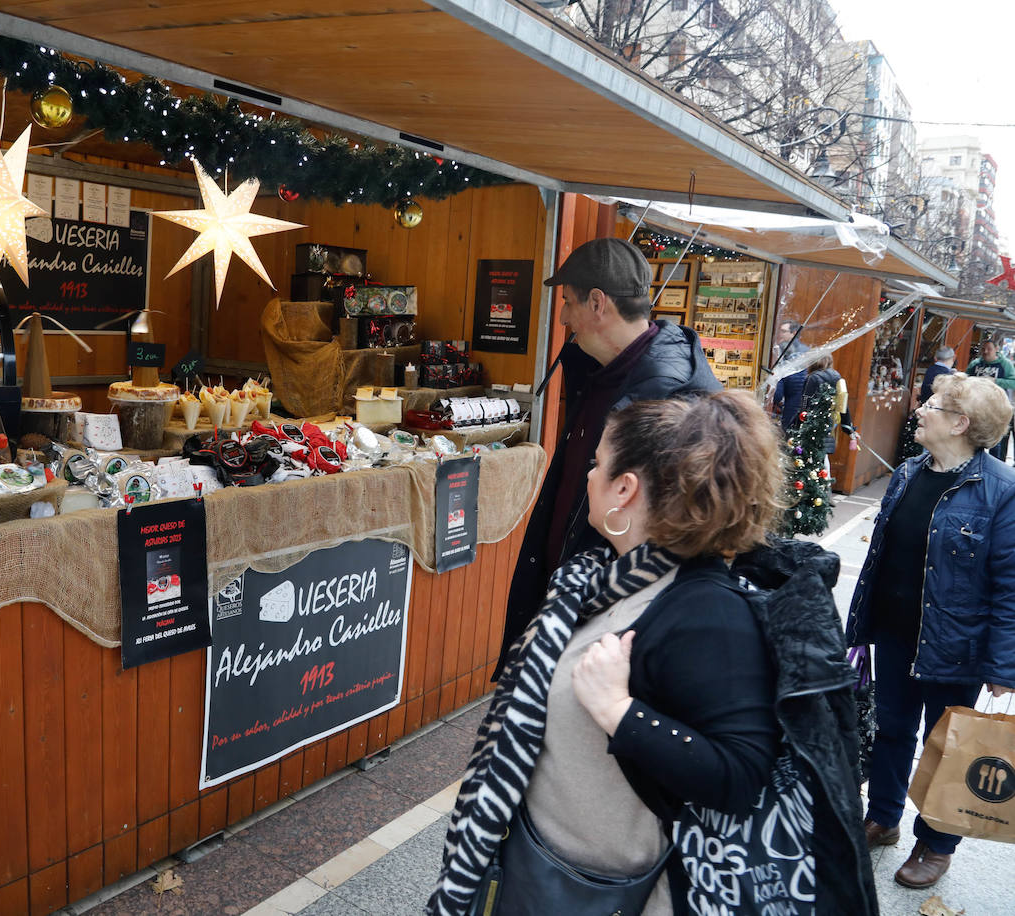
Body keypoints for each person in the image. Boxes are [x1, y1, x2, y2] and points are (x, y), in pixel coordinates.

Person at [430, 393, 878, 916]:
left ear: (625, 488)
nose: (589, 477)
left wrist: (618, 711)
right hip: (543, 863)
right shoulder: (612, 580)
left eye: (598, 465)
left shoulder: (705, 611)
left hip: (601, 893)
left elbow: (738, 775)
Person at [497, 238, 719, 675]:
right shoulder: (601, 372)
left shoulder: (668, 401)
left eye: (567, 302)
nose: (562, 317)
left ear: (597, 303)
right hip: (571, 601)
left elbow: (675, 536)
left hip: (609, 628)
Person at [847, 372, 1015, 890]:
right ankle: (884, 819)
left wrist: (1003, 667)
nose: (919, 410)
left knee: (946, 742)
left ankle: (937, 843)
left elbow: (1010, 585)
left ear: (960, 424)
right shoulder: (908, 472)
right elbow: (880, 557)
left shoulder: (1001, 492)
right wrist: (861, 623)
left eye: (932, 405)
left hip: (955, 644)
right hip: (897, 634)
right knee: (892, 729)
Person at [799, 353, 856, 475]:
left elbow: (805, 402)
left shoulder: (812, 378)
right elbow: (843, 404)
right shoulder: (837, 376)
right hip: (829, 423)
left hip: (811, 425)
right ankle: (825, 485)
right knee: (823, 458)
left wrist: (800, 422)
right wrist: (849, 428)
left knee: (809, 460)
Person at [964, 339, 1015, 460]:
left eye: (989, 349)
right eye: (983, 349)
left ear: (996, 349)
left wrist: (995, 381)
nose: (986, 352)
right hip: (976, 408)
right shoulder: (975, 363)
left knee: (996, 442)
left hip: (997, 409)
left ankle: (996, 465)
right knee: (974, 437)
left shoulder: (1005, 364)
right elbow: (965, 379)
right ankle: (972, 461)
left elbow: (1013, 382)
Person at [771, 319, 809, 432]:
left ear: (794, 333)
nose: (780, 334)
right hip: (786, 394)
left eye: (783, 331)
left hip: (794, 394)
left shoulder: (802, 351)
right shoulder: (779, 348)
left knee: (788, 427)